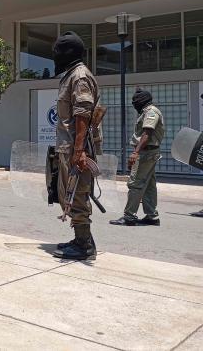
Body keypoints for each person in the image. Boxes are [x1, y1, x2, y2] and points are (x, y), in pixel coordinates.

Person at [51, 32, 99, 261]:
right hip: (68, 146)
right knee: (67, 195)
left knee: (77, 195)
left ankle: (84, 245)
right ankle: (80, 238)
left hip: (75, 148)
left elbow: (83, 114)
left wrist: (79, 151)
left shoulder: (79, 76)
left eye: (58, 52)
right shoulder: (70, 75)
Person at [110, 89, 164, 226]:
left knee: (135, 184)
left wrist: (136, 153)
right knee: (149, 185)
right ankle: (152, 216)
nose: (134, 104)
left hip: (147, 152)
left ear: (142, 101)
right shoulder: (145, 111)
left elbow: (147, 133)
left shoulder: (151, 111)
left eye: (136, 102)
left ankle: (129, 217)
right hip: (149, 152)